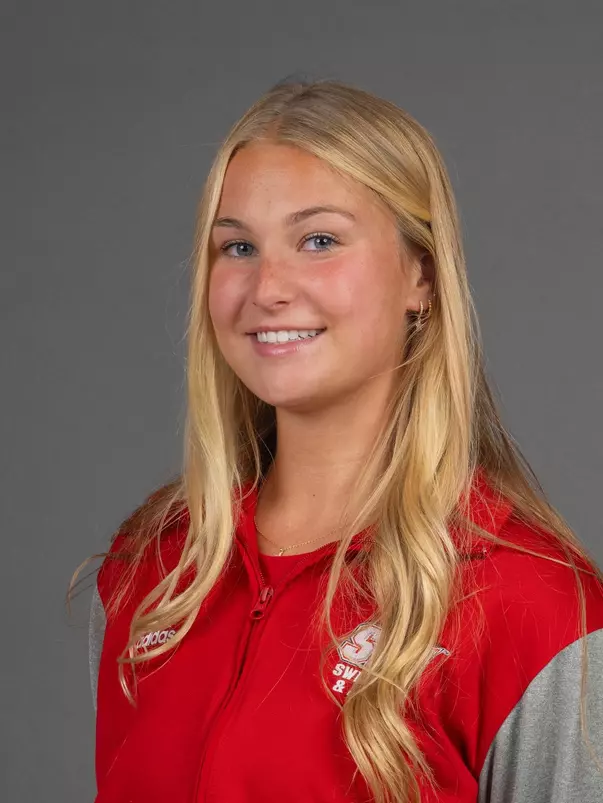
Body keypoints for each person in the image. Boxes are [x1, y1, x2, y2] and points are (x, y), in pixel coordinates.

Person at [86, 79, 603, 803]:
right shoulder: (156, 574)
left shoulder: (532, 603)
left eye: (318, 240)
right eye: (237, 246)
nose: (267, 286)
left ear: (419, 275)